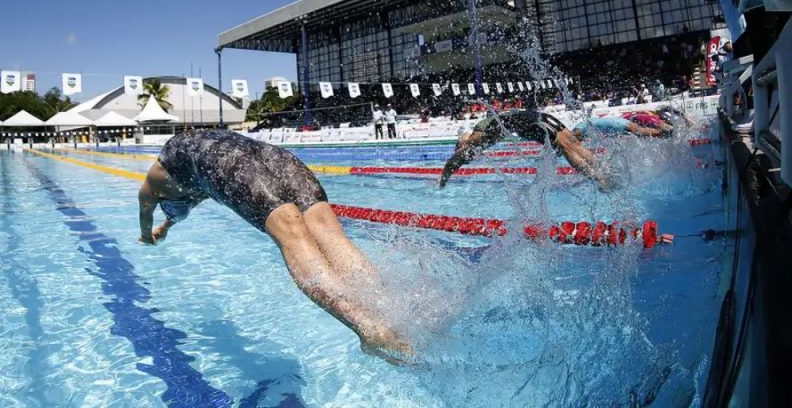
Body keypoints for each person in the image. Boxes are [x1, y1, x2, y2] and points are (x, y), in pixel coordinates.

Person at [137, 129, 412, 362]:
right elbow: (193, 198)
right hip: (272, 155)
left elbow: (145, 212)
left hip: (229, 163)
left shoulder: (152, 186)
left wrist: (147, 234)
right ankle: (392, 312)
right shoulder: (189, 168)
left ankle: (370, 328)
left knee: (293, 235)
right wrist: (167, 227)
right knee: (329, 232)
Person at [438, 110, 614, 190]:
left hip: (531, 122)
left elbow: (454, 161)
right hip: (539, 117)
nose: (470, 156)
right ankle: (605, 172)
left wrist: (443, 180)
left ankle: (599, 178)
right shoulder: (487, 130)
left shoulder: (476, 136)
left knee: (566, 146)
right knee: (572, 143)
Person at [572, 116, 670, 138]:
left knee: (640, 132)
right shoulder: (584, 124)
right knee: (640, 132)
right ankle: (664, 132)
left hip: (617, 124)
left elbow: (572, 137)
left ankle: (664, 132)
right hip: (617, 122)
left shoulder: (579, 128)